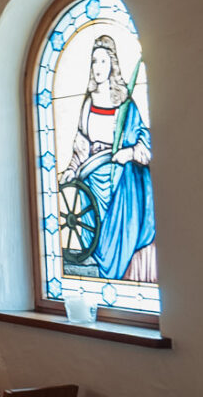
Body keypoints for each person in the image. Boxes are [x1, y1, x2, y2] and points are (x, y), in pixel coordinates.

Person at [58, 36, 155, 282]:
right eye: (94, 62)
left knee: (117, 235)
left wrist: (130, 153)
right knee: (92, 228)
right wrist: (72, 168)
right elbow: (81, 143)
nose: (98, 67)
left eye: (103, 61)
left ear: (112, 64)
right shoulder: (88, 103)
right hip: (92, 179)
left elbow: (145, 140)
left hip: (120, 179)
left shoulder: (125, 105)